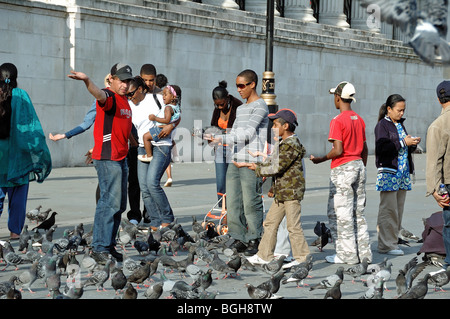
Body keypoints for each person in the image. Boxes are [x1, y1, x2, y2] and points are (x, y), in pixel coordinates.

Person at [67, 63, 133, 264]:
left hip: (121, 158)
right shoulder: (109, 96)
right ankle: (99, 247)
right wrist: (87, 80)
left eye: (128, 81)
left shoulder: (124, 100)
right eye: (121, 80)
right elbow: (99, 95)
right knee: (108, 202)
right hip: (108, 158)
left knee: (119, 205)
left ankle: (108, 244)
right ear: (111, 79)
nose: (125, 84)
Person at [236, 109, 310, 269]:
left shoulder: (291, 144)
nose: (273, 127)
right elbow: (273, 164)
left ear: (286, 126)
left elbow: (276, 167)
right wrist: (254, 165)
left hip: (291, 193)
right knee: (270, 223)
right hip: (282, 192)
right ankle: (264, 255)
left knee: (293, 226)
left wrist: (256, 167)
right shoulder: (283, 143)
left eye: (276, 124)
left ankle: (302, 258)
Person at [310, 81, 372, 265]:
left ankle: (347, 255)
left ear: (338, 98)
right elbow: (365, 148)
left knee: (340, 214)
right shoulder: (359, 119)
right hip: (359, 166)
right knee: (358, 214)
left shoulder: (338, 120)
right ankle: (364, 254)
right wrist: (361, 166)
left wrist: (320, 159)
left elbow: (337, 150)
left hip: (343, 169)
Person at [208, 69, 269, 255]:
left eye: (242, 85)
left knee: (251, 202)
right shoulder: (241, 109)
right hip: (235, 160)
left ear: (253, 84)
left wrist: (222, 139)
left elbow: (248, 134)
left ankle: (254, 238)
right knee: (233, 202)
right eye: (237, 86)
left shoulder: (260, 106)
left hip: (252, 161)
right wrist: (218, 136)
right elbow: (234, 133)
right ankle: (238, 236)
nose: (239, 89)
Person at [0, 63, 52, 240]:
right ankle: (15, 233)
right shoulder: (22, 95)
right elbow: (32, 127)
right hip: (19, 158)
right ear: (16, 78)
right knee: (18, 200)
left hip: (0, 158)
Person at [128, 74, 176, 232]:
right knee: (144, 187)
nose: (130, 96)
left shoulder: (156, 98)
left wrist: (172, 125)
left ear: (140, 89)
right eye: (127, 94)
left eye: (132, 93)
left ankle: (168, 219)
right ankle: (155, 222)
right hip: (143, 147)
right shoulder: (128, 105)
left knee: (152, 183)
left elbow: (175, 110)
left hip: (160, 145)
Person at [375, 94, 421, 256]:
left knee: (398, 210)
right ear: (389, 109)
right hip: (389, 173)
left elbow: (402, 146)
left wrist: (412, 144)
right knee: (388, 210)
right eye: (399, 110)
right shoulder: (383, 125)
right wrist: (403, 143)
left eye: (403, 110)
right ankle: (386, 245)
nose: (401, 113)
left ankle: (392, 241)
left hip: (402, 174)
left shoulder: (399, 125)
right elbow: (382, 148)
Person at [426, 80, 450, 270]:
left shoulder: (437, 125)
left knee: (449, 225)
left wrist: (434, 189)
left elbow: (434, 161)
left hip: (449, 182)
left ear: (438, 99)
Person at [210, 80, 242, 201]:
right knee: (220, 181)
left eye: (221, 104)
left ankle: (232, 209)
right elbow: (213, 125)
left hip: (233, 148)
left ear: (227, 99)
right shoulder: (217, 109)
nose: (219, 107)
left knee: (232, 180)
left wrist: (224, 133)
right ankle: (222, 208)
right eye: (216, 105)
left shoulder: (238, 107)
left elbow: (239, 130)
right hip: (219, 147)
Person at [138, 85, 181, 163]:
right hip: (163, 130)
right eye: (163, 94)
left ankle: (149, 155)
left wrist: (154, 118)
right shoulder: (176, 107)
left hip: (160, 129)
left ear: (173, 97)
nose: (163, 97)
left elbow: (167, 120)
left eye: (166, 94)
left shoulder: (168, 108)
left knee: (145, 137)